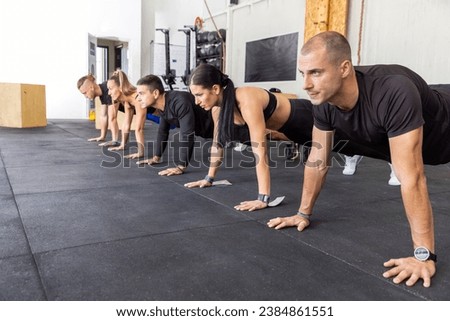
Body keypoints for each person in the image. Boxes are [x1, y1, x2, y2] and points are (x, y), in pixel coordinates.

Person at [268, 31, 450, 287]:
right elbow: (318, 160)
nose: (306, 85)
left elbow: (413, 178)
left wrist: (424, 256)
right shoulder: (324, 102)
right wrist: (302, 214)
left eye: (316, 72)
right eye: (303, 74)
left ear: (344, 68)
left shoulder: (393, 91)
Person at [186, 63, 350, 211]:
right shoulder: (217, 110)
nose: (196, 101)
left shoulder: (245, 98)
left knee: (352, 140)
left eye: (199, 94)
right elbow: (217, 143)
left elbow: (260, 151)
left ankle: (351, 154)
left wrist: (263, 198)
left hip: (305, 117)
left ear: (215, 89)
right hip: (289, 133)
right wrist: (209, 178)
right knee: (339, 144)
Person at [134, 74, 214, 176]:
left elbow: (187, 135)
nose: (138, 98)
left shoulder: (179, 102)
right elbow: (162, 131)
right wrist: (156, 157)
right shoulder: (163, 104)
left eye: (141, 94)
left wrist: (181, 166)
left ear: (155, 93)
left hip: (222, 127)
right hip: (209, 132)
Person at [107, 70, 147, 159]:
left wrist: (140, 152)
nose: (109, 93)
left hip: (168, 114)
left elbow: (139, 129)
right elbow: (126, 123)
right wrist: (122, 145)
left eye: (111, 88)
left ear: (120, 87)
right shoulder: (127, 101)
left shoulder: (137, 98)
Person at [77, 74, 120, 146]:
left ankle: (115, 140)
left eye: (85, 93)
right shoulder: (102, 92)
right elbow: (104, 116)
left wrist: (114, 141)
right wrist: (102, 136)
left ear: (91, 88)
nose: (85, 96)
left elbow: (112, 118)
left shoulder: (108, 89)